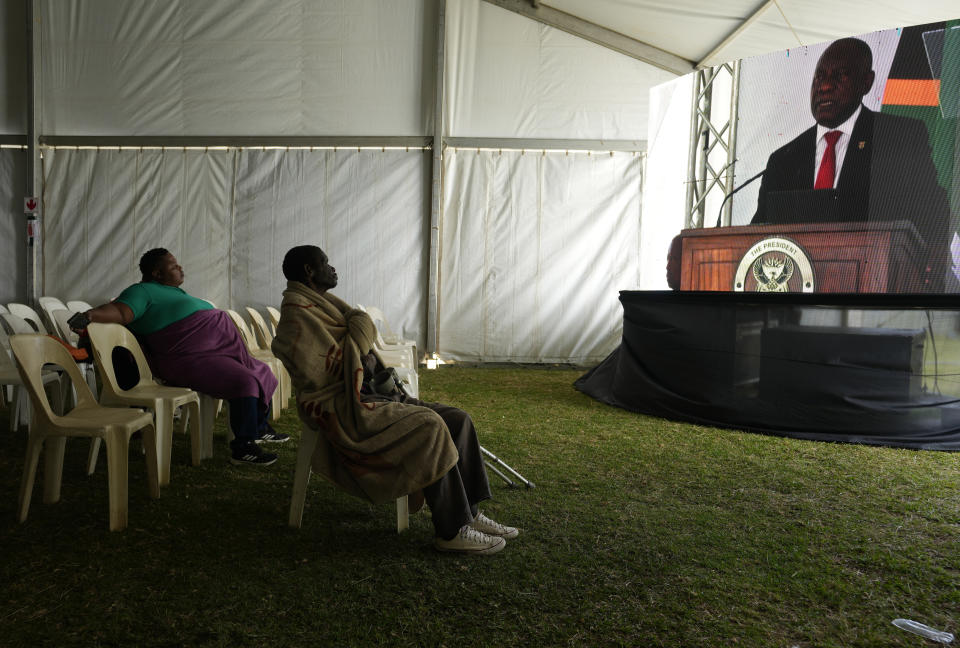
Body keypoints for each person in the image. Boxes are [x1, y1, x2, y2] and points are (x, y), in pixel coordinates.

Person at [271, 245, 519, 555]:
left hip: (370, 393)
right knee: (430, 425)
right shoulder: (296, 318)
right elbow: (317, 370)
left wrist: (356, 345)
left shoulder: (324, 306)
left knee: (458, 418)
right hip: (347, 407)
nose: (332, 268)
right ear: (309, 271)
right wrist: (356, 347)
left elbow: (357, 338)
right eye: (325, 263)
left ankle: (470, 513)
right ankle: (452, 530)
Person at [751, 37, 952, 291]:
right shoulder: (783, 160)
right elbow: (757, 234)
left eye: (840, 76)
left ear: (865, 82)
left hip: (879, 296)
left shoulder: (899, 137)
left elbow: (934, 209)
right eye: (819, 76)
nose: (824, 86)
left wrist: (929, 271)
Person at [80, 248, 286, 465]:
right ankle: (243, 447)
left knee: (261, 371)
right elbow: (121, 312)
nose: (180, 268)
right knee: (244, 381)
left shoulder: (175, 292)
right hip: (188, 358)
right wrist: (90, 315)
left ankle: (259, 427)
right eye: (174, 266)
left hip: (217, 352)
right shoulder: (141, 290)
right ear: (158, 273)